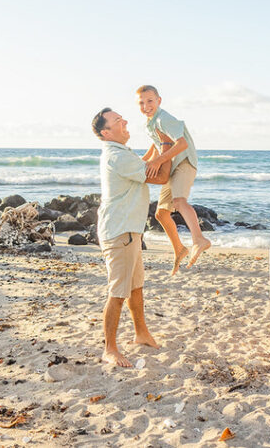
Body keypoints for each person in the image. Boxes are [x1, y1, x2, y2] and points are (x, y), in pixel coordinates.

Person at [92, 107, 160, 367]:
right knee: (118, 291)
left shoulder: (121, 152)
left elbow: (144, 165)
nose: (125, 122)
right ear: (106, 132)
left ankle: (141, 333)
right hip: (120, 232)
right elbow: (157, 175)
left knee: (135, 286)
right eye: (118, 121)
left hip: (129, 230)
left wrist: (158, 145)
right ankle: (109, 348)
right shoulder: (116, 156)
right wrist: (172, 148)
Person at [137, 85, 210, 274]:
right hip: (173, 168)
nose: (146, 106)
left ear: (159, 101)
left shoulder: (163, 119)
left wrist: (158, 161)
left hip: (184, 163)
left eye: (150, 101)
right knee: (161, 213)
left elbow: (182, 143)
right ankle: (179, 248)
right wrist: (140, 163)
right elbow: (156, 145)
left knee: (179, 201)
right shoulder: (150, 123)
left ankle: (199, 239)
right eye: (142, 102)